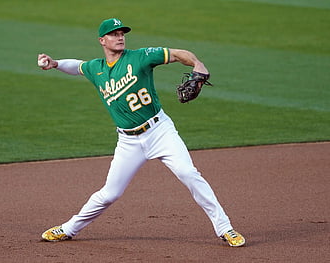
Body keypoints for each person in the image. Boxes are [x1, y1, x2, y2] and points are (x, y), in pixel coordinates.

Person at [39, 18, 245, 247]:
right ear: (102, 40)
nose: (120, 37)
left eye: (122, 33)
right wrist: (55, 63)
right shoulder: (95, 68)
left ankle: (225, 228)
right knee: (110, 193)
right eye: (114, 34)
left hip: (160, 132)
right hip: (128, 142)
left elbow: (177, 53)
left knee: (189, 174)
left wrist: (197, 64)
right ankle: (68, 229)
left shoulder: (140, 57)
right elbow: (77, 66)